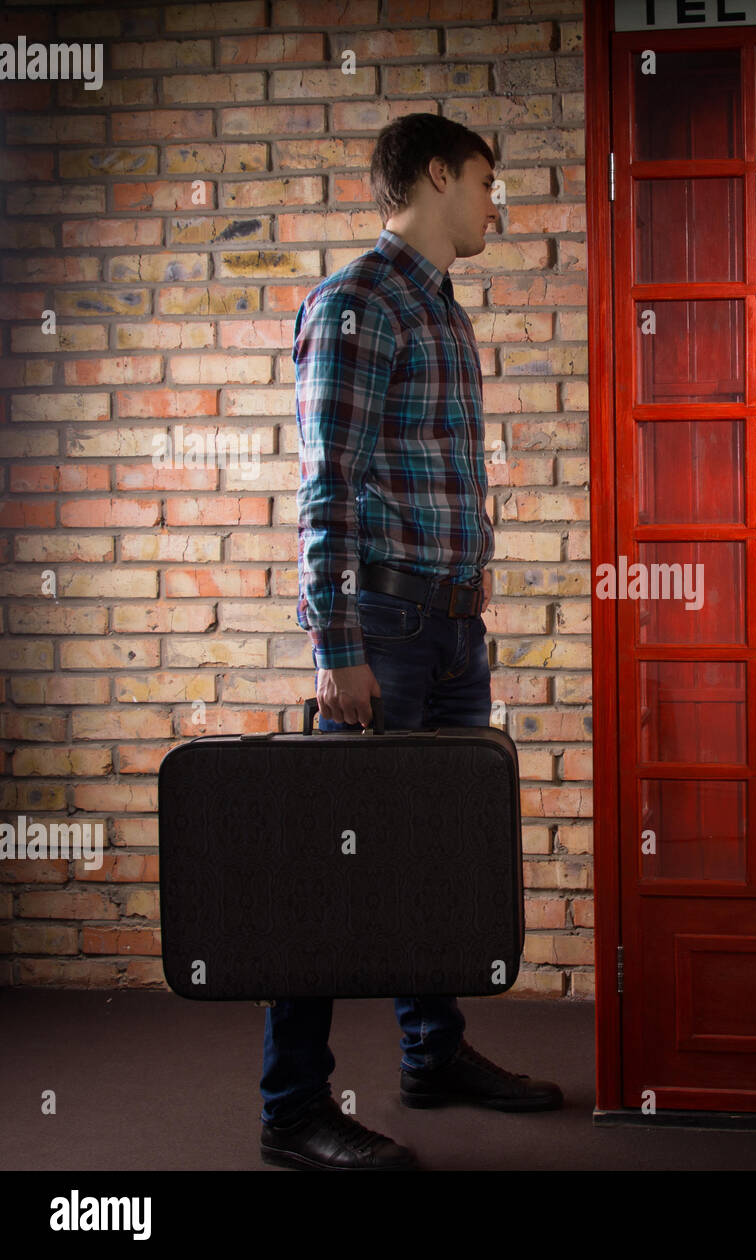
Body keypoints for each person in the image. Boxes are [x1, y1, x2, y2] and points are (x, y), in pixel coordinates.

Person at [261, 114, 562, 1172]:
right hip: (378, 629)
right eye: (486, 179)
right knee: (337, 869)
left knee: (438, 854)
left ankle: (432, 1054)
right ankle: (293, 1107)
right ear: (437, 175)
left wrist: (466, 600)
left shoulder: (438, 309)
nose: (497, 202)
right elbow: (326, 489)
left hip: (445, 625)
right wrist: (334, 644)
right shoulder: (356, 306)